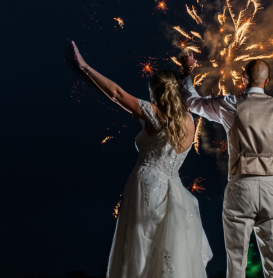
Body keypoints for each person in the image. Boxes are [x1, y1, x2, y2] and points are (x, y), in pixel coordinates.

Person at [72, 42, 212, 278]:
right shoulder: (189, 121)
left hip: (146, 185)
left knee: (141, 249)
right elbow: (188, 94)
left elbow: (116, 94)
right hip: (173, 189)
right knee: (165, 252)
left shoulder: (153, 113)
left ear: (155, 91)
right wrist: (188, 73)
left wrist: (85, 67)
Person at [180, 54, 273, 278]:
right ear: (266, 81)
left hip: (240, 188)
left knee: (235, 265)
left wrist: (187, 73)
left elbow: (192, 102)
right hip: (272, 189)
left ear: (243, 79)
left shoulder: (230, 104)